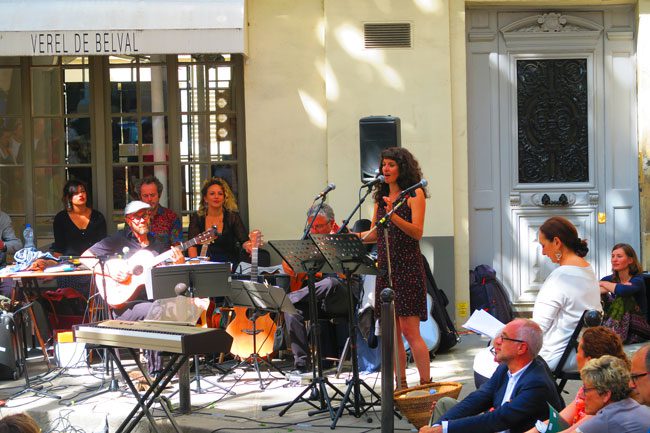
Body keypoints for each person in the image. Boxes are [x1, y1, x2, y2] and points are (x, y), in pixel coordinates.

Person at [79, 201, 184, 373]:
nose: (143, 220)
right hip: (123, 305)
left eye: (146, 215)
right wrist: (109, 272)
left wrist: (179, 263)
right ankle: (156, 372)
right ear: (128, 220)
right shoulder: (118, 240)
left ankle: (183, 367)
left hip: (152, 300)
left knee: (173, 305)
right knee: (154, 310)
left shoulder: (158, 245)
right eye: (138, 217)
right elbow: (86, 257)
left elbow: (168, 276)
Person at [358, 146, 431, 386]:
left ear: (402, 167)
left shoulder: (414, 194)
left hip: (408, 269)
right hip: (386, 270)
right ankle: (400, 386)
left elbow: (417, 232)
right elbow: (376, 232)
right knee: (392, 334)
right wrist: (353, 236)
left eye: (391, 165)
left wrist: (393, 214)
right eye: (383, 165)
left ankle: (425, 384)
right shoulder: (380, 198)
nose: (385, 169)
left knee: (411, 332)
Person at [420, 319, 563, 433]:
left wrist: (444, 429)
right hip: (496, 424)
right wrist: (438, 426)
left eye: (504, 338)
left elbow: (499, 419)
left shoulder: (536, 383)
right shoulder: (505, 368)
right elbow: (479, 397)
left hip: (504, 426)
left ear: (522, 348)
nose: (497, 341)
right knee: (444, 404)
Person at [283, 203, 357, 373]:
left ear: (331, 224)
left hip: (344, 297)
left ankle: (289, 298)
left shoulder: (343, 238)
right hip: (320, 299)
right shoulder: (309, 241)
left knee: (330, 282)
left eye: (319, 226)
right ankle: (301, 365)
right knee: (291, 310)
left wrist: (320, 271)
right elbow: (286, 264)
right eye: (312, 227)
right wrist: (295, 266)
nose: (315, 231)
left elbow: (346, 276)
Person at [524, 326, 629, 433]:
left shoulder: (601, 398)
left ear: (589, 360)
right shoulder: (591, 388)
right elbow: (561, 419)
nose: (576, 356)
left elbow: (571, 431)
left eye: (578, 351)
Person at [533, 216, 602, 371]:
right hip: (580, 351)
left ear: (557, 242)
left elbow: (537, 328)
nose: (543, 252)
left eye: (543, 245)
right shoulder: (587, 269)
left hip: (554, 356)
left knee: (486, 361)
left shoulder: (561, 276)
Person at [51, 179, 107, 298]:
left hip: (93, 268)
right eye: (76, 193)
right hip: (68, 269)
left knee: (96, 306)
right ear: (69, 197)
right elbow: (59, 248)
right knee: (70, 306)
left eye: (83, 191)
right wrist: (52, 269)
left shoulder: (98, 217)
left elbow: (104, 246)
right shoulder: (61, 218)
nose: (81, 195)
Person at [573, 355, 650, 433]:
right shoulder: (631, 405)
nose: (581, 395)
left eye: (586, 390)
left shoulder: (606, 418)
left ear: (606, 394)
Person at [187, 177, 252, 268]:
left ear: (224, 198)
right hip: (203, 266)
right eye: (212, 194)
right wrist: (195, 267)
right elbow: (192, 246)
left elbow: (244, 240)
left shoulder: (232, 216)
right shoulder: (197, 217)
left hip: (229, 265)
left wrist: (249, 247)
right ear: (205, 198)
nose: (216, 197)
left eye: (220, 194)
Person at [599, 243, 650, 343]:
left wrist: (604, 284)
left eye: (619, 256)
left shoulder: (638, 279)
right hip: (619, 325)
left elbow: (623, 291)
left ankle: (612, 335)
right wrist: (610, 286)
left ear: (630, 260)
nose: (614, 259)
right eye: (613, 256)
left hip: (639, 329)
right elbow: (593, 290)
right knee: (602, 296)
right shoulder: (609, 279)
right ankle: (611, 332)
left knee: (623, 297)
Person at [135, 175, 182, 248]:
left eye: (152, 195)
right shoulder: (133, 218)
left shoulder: (171, 217)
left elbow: (177, 246)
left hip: (166, 259)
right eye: (145, 196)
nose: (149, 199)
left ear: (159, 195)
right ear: (140, 197)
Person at [0, 209, 22, 297]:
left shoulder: (2, 217)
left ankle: (8, 310)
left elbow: (17, 245)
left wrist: (3, 245)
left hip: (1, 269)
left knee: (12, 289)